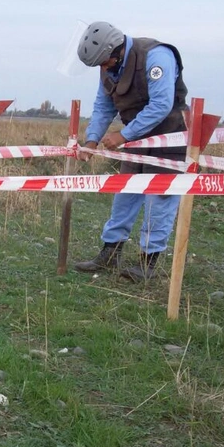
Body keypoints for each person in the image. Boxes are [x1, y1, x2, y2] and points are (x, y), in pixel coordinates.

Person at [73, 21, 188, 282]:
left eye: (105, 63)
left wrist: (123, 135)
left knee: (159, 202)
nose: (103, 69)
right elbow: (104, 106)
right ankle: (110, 254)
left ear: (117, 50)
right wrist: (92, 140)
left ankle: (148, 264)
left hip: (168, 139)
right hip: (135, 142)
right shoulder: (108, 64)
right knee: (124, 196)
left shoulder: (157, 56)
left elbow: (161, 104)